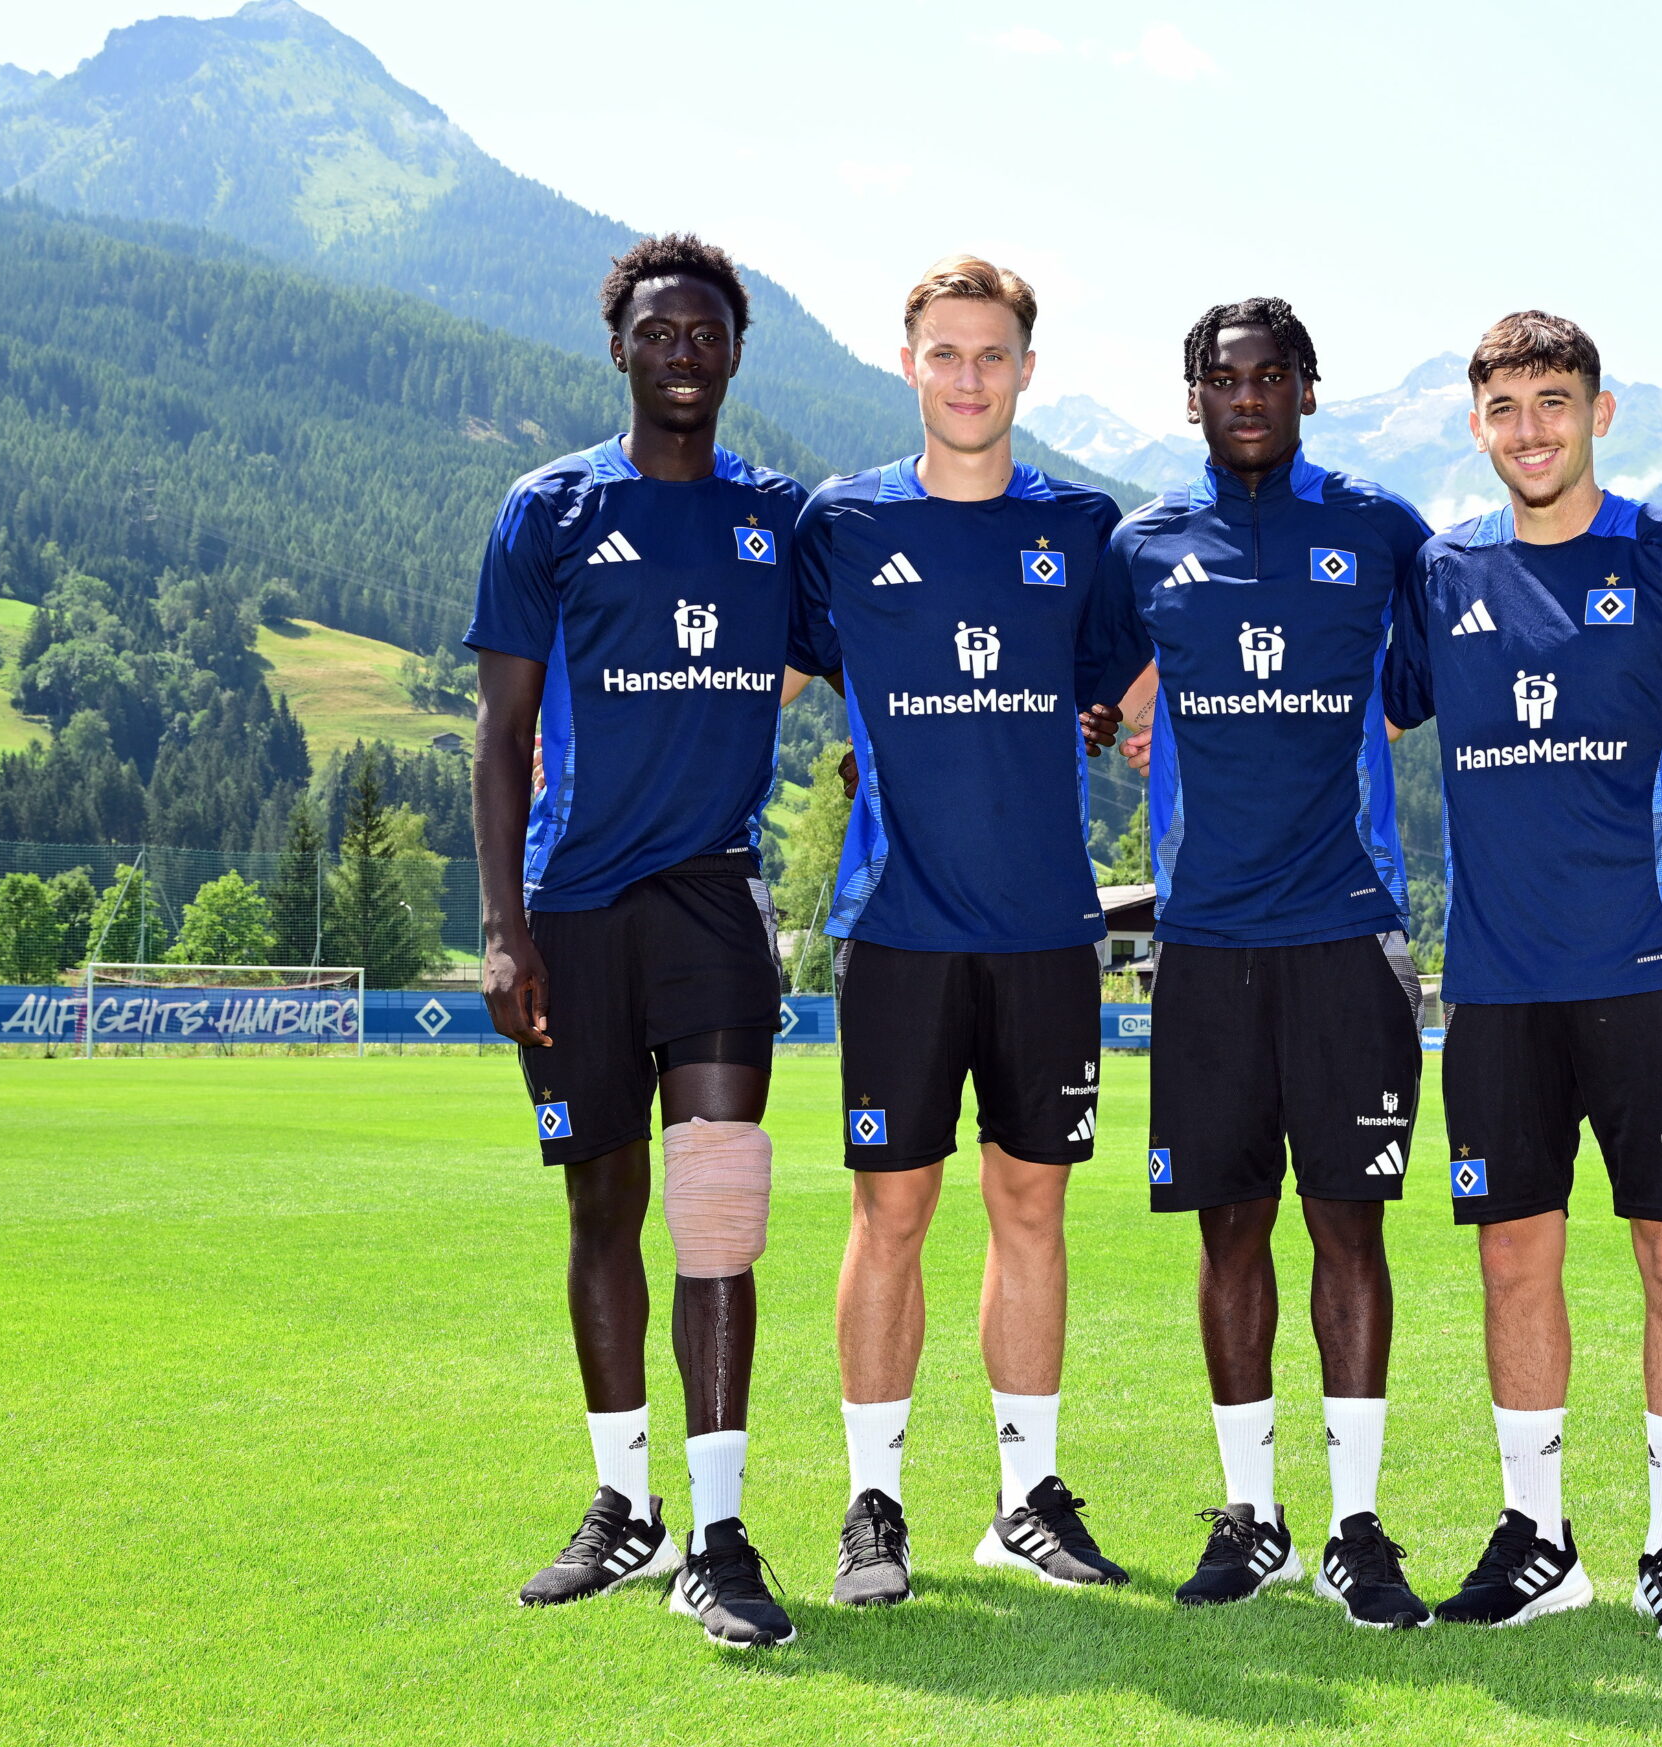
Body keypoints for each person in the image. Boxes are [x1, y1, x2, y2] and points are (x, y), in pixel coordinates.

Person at [1383, 310, 1662, 1651]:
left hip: (1656, 976)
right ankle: (1537, 1536)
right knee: (1515, 1262)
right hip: (1496, 990)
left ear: (1599, 412)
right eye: (1505, 409)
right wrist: (1142, 709)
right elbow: (1345, 705)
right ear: (1476, 427)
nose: (1531, 429)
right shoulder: (1441, 575)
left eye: (1553, 402)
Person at [468, 232, 822, 1651]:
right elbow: (496, 740)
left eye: (707, 333)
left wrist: (1107, 690)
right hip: (574, 916)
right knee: (600, 1209)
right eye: (658, 332)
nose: (683, 352)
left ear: (737, 353)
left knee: (720, 1212)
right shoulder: (547, 510)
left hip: (715, 904)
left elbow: (913, 643)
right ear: (619, 346)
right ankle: (625, 1510)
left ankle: (721, 1533)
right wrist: (504, 934)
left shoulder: (784, 520)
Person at [789, 256, 1134, 1607]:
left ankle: (1026, 1499)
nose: (971, 377)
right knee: (892, 1212)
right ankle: (873, 1504)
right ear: (909, 361)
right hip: (898, 930)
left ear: (1028, 369)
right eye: (947, 353)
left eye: (994, 355)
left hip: (1048, 929)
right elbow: (766, 672)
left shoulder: (1085, 529)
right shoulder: (843, 525)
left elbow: (1141, 685)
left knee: (1030, 1205)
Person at [1100, 298, 1438, 1627]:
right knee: (1227, 1231)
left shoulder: (1379, 527)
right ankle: (1254, 1517)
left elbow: (1446, 673)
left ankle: (1357, 1527)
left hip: (1348, 936)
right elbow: (1073, 694)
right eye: (1222, 378)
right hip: (1203, 945)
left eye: (1268, 376)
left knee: (1349, 1230)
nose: (1246, 396)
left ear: (1308, 389)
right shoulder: (1142, 548)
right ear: (1193, 399)